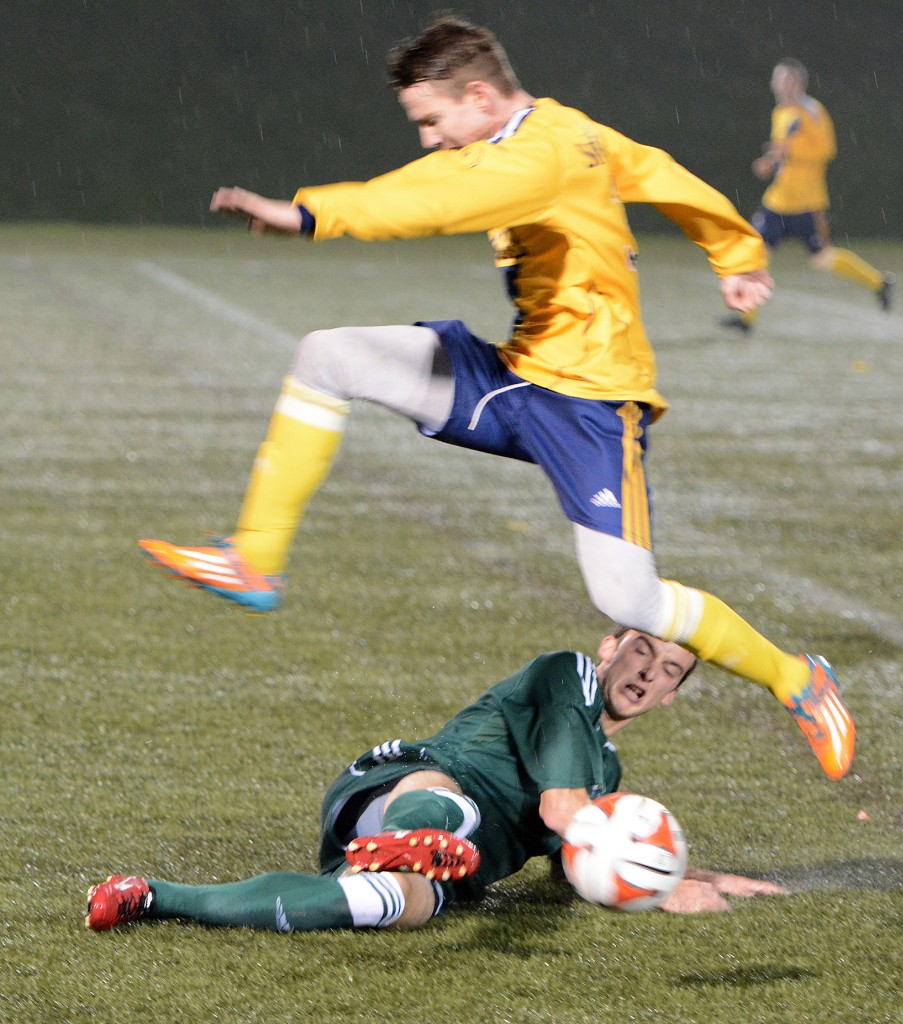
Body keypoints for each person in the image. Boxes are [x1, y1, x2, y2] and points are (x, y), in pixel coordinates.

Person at [138, 15, 854, 780]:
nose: (427, 138)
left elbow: (436, 199)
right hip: (516, 374)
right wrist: (735, 252)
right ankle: (255, 559)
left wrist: (310, 213)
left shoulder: (538, 158)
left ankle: (796, 678)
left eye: (431, 120)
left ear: (478, 96)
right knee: (328, 354)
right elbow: (656, 169)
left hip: (591, 404)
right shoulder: (566, 130)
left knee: (631, 598)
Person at [85, 628, 788, 932]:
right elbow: (562, 807)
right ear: (610, 646)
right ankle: (415, 834)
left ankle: (150, 896)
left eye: (668, 671)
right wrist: (661, 883)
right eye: (641, 650)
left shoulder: (609, 773)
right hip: (401, 784)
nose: (645, 673)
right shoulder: (566, 674)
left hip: (448, 871)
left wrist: (701, 877)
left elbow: (577, 864)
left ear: (670, 697)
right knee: (455, 810)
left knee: (384, 904)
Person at [721, 57, 895, 333]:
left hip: (807, 201)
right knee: (755, 253)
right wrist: (769, 163)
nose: (778, 85)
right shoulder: (781, 113)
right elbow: (782, 150)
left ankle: (879, 283)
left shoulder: (812, 111)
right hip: (778, 200)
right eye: (776, 80)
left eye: (784, 79)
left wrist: (789, 153)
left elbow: (827, 151)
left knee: (822, 259)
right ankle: (746, 320)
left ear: (798, 83)